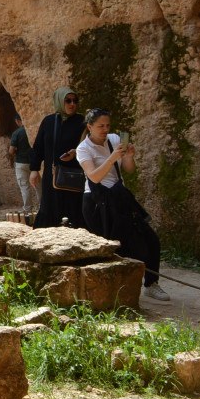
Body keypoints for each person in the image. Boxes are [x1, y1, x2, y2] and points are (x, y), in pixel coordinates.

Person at [77, 109, 169, 301]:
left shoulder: (114, 139)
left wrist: (128, 157)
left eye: (108, 125)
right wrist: (112, 158)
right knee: (110, 247)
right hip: (97, 203)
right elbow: (94, 176)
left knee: (150, 239)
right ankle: (111, 291)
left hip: (119, 198)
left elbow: (129, 169)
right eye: (101, 126)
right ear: (90, 127)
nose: (105, 129)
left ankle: (151, 284)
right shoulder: (83, 148)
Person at [30, 87, 85, 228]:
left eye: (75, 101)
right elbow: (38, 147)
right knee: (50, 208)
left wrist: (75, 152)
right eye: (68, 101)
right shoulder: (49, 122)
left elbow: (89, 146)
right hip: (53, 175)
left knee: (75, 210)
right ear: (59, 101)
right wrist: (34, 169)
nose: (72, 104)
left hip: (74, 175)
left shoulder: (82, 122)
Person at [8, 114, 37, 216]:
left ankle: (27, 209)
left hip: (21, 163)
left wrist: (16, 151)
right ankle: (41, 206)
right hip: (34, 162)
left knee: (24, 186)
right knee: (38, 186)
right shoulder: (33, 129)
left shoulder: (17, 133)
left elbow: (11, 150)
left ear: (17, 121)